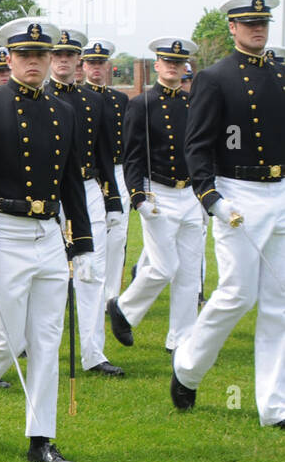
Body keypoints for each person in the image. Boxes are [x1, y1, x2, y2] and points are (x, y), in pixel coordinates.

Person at [0, 17, 93, 462]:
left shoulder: (64, 111)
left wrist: (83, 244)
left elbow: (72, 181)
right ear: (8, 59)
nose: (34, 63)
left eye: (41, 56)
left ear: (51, 60)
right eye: (25, 56)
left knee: (47, 339)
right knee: (1, 338)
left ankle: (40, 439)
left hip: (47, 233)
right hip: (3, 231)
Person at [172, 0, 285, 427]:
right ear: (233, 29)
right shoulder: (215, 78)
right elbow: (197, 143)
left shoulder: (279, 72)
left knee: (278, 301)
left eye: (263, 23)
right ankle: (188, 367)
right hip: (239, 191)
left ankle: (273, 407)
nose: (258, 29)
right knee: (239, 293)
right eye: (249, 23)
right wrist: (210, 196)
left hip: (279, 190)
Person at [107, 37, 201, 353]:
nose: (173, 67)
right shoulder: (141, 104)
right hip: (157, 192)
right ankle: (124, 308)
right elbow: (132, 155)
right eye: (168, 62)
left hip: (189, 193)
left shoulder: (192, 104)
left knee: (189, 272)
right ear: (157, 65)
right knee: (164, 267)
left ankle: (181, 339)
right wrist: (138, 196)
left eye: (179, 62)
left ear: (184, 67)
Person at [45, 28, 125, 377]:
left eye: (69, 55)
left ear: (78, 59)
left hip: (88, 188)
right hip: (47, 194)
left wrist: (113, 201)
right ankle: (31, 344)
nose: (63, 61)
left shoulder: (94, 102)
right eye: (57, 55)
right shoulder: (34, 97)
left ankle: (93, 352)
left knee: (92, 272)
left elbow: (106, 155)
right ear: (50, 58)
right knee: (47, 274)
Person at [81, 39, 131, 301]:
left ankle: (111, 296)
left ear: (107, 65)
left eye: (101, 62)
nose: (96, 67)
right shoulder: (78, 98)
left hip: (117, 170)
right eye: (91, 62)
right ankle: (84, 287)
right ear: (84, 65)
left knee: (117, 235)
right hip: (89, 174)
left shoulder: (119, 99)